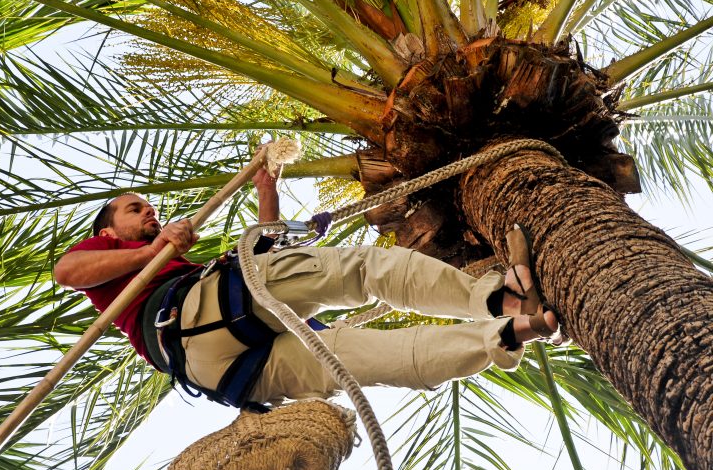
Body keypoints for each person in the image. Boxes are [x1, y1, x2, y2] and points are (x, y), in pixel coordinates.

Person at [54, 164, 559, 408]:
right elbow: (66, 272)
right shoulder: (112, 254)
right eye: (134, 208)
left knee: (357, 359)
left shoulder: (174, 270)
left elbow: (263, 253)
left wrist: (266, 193)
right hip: (201, 317)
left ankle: (509, 332)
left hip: (217, 364)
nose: (149, 212)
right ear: (106, 229)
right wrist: (151, 248)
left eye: (150, 208)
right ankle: (498, 297)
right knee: (362, 271)